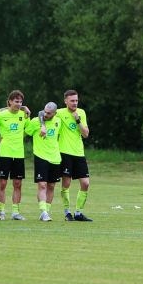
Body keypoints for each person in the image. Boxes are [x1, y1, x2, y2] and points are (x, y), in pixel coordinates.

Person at [51, 90, 93, 222]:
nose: (75, 103)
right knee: (66, 183)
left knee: (85, 183)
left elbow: (86, 134)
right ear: (65, 101)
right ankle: (67, 212)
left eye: (76, 100)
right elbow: (44, 114)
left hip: (79, 153)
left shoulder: (81, 113)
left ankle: (79, 213)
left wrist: (78, 120)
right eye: (72, 101)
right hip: (64, 152)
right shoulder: (59, 112)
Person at [0, 90, 30, 220]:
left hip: (19, 154)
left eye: (21, 102)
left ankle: (15, 213)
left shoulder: (24, 115)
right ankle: (2, 212)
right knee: (2, 183)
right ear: (10, 101)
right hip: (5, 153)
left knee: (18, 184)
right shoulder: (1, 115)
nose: (19, 104)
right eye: (16, 101)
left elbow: (29, 130)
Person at [27, 102, 61, 221]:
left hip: (55, 158)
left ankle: (47, 211)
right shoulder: (36, 121)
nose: (46, 114)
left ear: (55, 113)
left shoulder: (59, 121)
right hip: (40, 156)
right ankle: (44, 212)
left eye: (49, 113)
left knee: (51, 186)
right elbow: (27, 132)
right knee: (42, 185)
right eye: (45, 112)